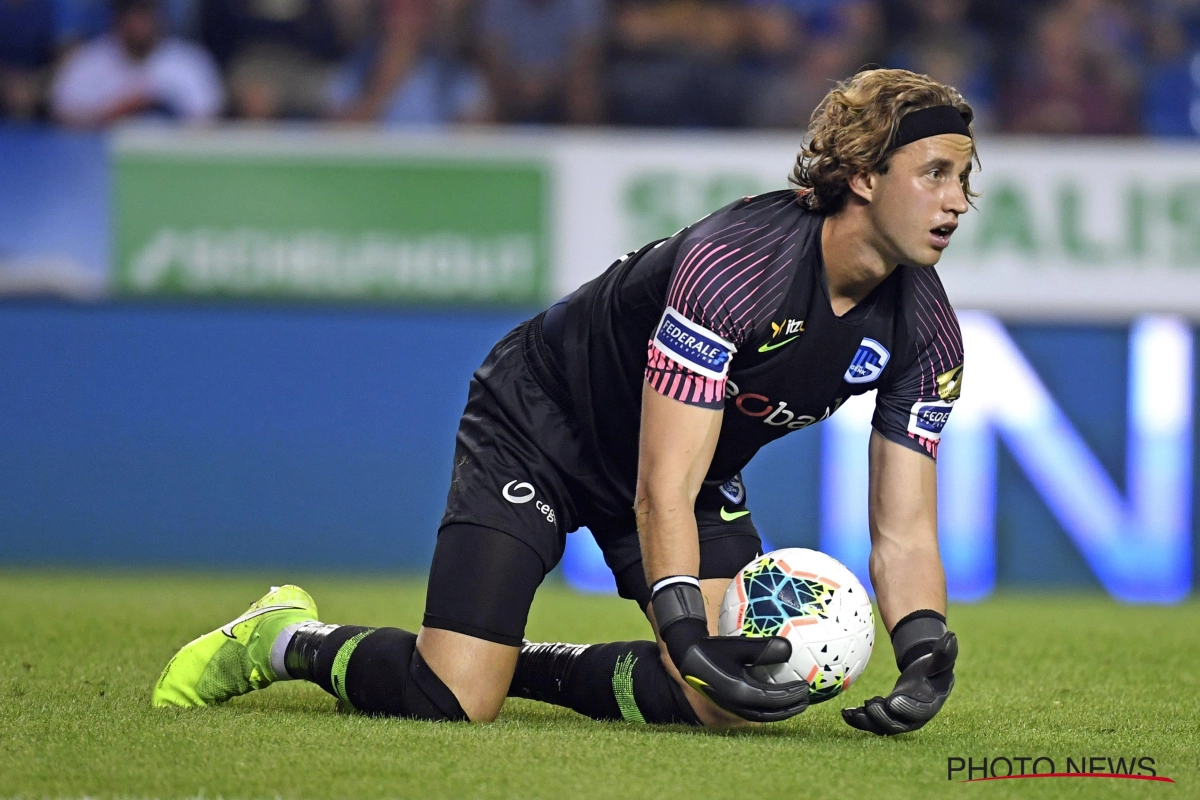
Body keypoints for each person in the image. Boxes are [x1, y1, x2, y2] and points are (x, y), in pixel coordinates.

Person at [153, 68, 971, 736]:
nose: (958, 200)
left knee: (724, 702)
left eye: (966, 178)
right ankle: (283, 639)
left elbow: (905, 531)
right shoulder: (735, 266)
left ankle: (522, 660)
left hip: (681, 467)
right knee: (455, 696)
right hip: (540, 424)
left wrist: (925, 645)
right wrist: (681, 634)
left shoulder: (927, 331)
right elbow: (660, 490)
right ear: (863, 175)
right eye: (935, 172)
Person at [50, 0, 222, 126]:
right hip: (101, 161)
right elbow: (63, 114)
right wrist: (116, 112)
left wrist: (158, 106)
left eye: (144, 14)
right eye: (131, 15)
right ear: (117, 19)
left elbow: (208, 120)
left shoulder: (189, 61)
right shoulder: (88, 60)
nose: (137, 24)